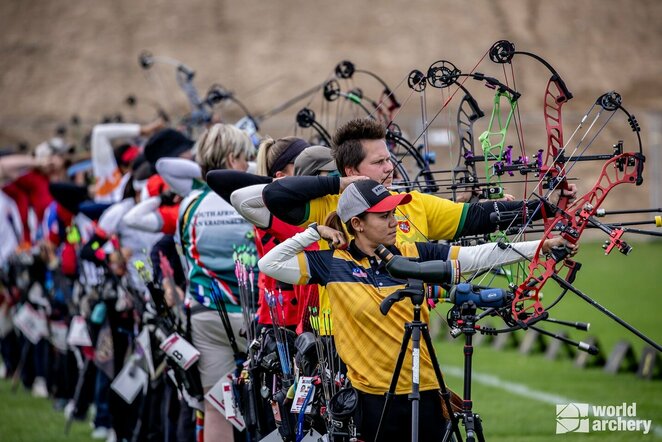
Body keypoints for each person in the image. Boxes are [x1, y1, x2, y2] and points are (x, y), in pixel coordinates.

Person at [258, 179, 576, 442]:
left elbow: (475, 257)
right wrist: (315, 233)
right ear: (357, 223)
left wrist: (541, 246)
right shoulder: (332, 264)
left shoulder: (412, 254)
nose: (395, 221)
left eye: (394, 213)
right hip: (372, 401)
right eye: (383, 216)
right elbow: (269, 264)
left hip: (423, 391)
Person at [262, 117, 577, 244]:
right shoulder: (325, 210)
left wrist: (550, 208)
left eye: (389, 159)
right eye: (379, 162)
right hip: (339, 353)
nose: (391, 168)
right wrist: (339, 187)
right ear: (350, 171)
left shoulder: (414, 205)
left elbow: (481, 216)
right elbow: (275, 195)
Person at [175, 123, 257, 442]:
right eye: (245, 157)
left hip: (206, 312)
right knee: (269, 403)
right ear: (234, 157)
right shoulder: (254, 199)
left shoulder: (189, 205)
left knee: (217, 405)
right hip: (255, 315)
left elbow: (186, 259)